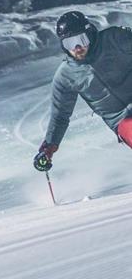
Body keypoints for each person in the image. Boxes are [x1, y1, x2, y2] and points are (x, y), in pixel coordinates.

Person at [33, 10, 132, 171]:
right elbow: (60, 116)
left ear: (90, 33)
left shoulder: (114, 38)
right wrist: (49, 147)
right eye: (69, 43)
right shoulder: (66, 76)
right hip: (122, 121)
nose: (77, 48)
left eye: (81, 40)